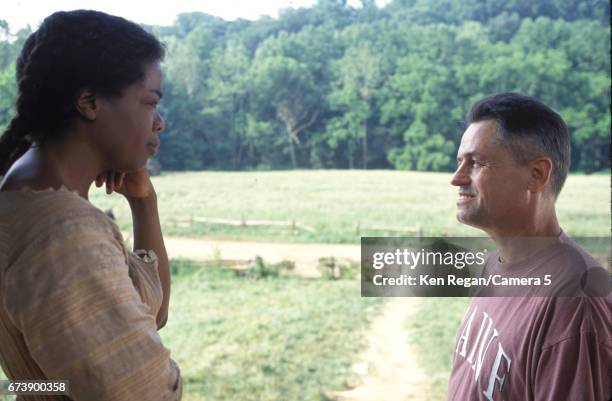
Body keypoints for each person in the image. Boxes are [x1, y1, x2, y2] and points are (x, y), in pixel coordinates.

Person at [0, 10, 182, 400]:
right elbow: (145, 392)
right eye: (150, 103)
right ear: (88, 102)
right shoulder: (65, 234)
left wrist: (144, 203)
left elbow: (154, 315)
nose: (159, 122)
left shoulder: (20, 198)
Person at [446, 92, 610, 401]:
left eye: (476, 163)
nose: (456, 178)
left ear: (536, 175)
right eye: (460, 162)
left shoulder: (574, 303)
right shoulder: (495, 263)